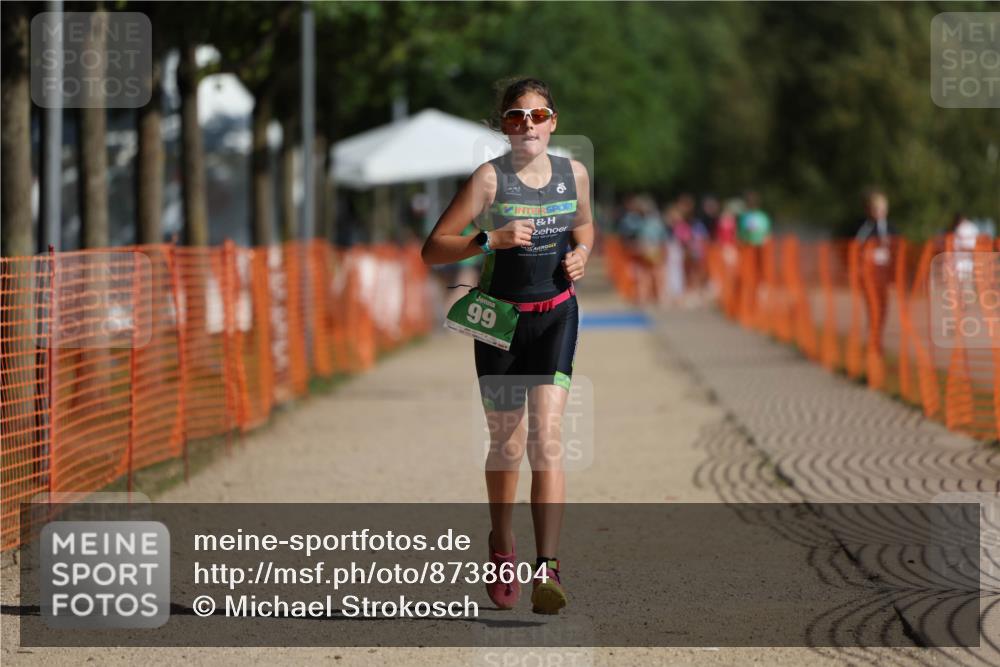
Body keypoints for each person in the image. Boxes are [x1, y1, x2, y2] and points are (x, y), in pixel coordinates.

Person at [421, 77, 594, 615]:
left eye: (537, 116)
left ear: (553, 121)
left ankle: (548, 568)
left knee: (547, 439)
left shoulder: (575, 174)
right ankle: (501, 544)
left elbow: (585, 227)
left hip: (556, 315)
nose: (527, 126)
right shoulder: (488, 181)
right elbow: (433, 249)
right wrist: (488, 239)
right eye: (516, 117)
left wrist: (582, 254)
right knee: (508, 446)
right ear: (502, 125)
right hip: (498, 321)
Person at [854, 188, 895, 355]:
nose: (879, 212)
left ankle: (877, 339)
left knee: (883, 308)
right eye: (875, 208)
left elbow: (896, 249)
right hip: (869, 276)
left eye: (882, 208)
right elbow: (857, 248)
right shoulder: (865, 229)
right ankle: (874, 342)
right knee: (873, 308)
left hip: (883, 276)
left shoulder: (891, 228)